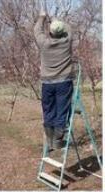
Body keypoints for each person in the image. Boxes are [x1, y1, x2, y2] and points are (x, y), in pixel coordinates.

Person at [34, 10, 74, 151]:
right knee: (62, 110)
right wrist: (56, 19)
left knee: (48, 110)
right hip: (64, 82)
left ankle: (50, 139)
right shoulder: (67, 40)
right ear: (62, 32)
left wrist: (42, 17)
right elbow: (68, 28)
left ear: (50, 33)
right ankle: (57, 140)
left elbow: (37, 30)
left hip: (47, 84)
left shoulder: (44, 43)